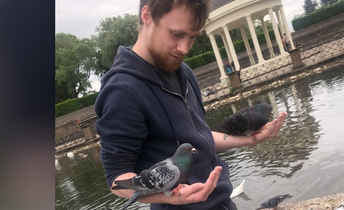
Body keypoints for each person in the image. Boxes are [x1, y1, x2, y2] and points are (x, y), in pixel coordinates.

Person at [95, 1, 287, 210]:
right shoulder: (123, 91)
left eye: (193, 37)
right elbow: (116, 178)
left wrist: (250, 140)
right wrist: (169, 197)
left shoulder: (183, 71)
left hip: (221, 202)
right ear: (147, 16)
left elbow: (199, 137)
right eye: (177, 34)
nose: (184, 48)